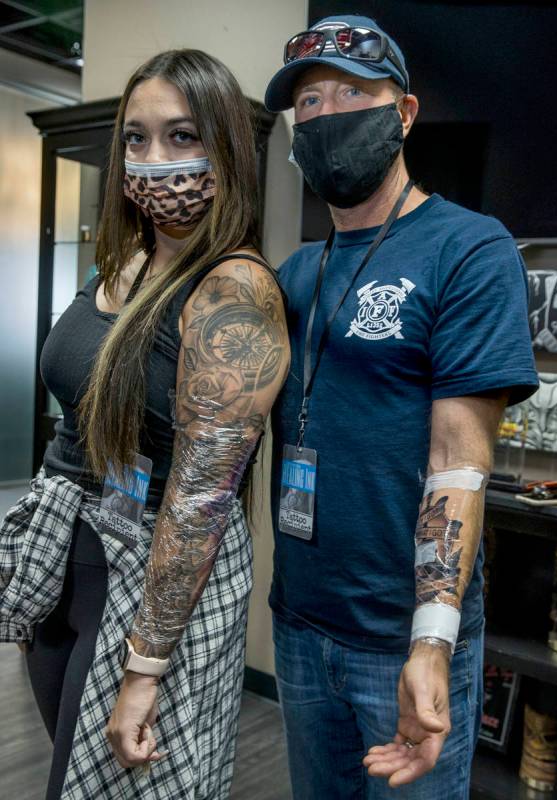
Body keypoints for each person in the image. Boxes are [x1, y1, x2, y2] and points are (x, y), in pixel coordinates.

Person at [0, 49, 289, 800]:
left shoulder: (233, 289)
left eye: (182, 136)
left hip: (148, 586)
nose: (154, 159)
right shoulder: (120, 264)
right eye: (136, 138)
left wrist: (144, 670)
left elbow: (199, 501)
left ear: (225, 147)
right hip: (70, 564)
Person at [264, 14, 538, 799]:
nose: (326, 117)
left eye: (352, 93)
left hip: (400, 641)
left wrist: (430, 642)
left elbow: (458, 465)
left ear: (404, 113)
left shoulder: (469, 248)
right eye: (308, 103)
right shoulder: (293, 273)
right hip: (300, 622)